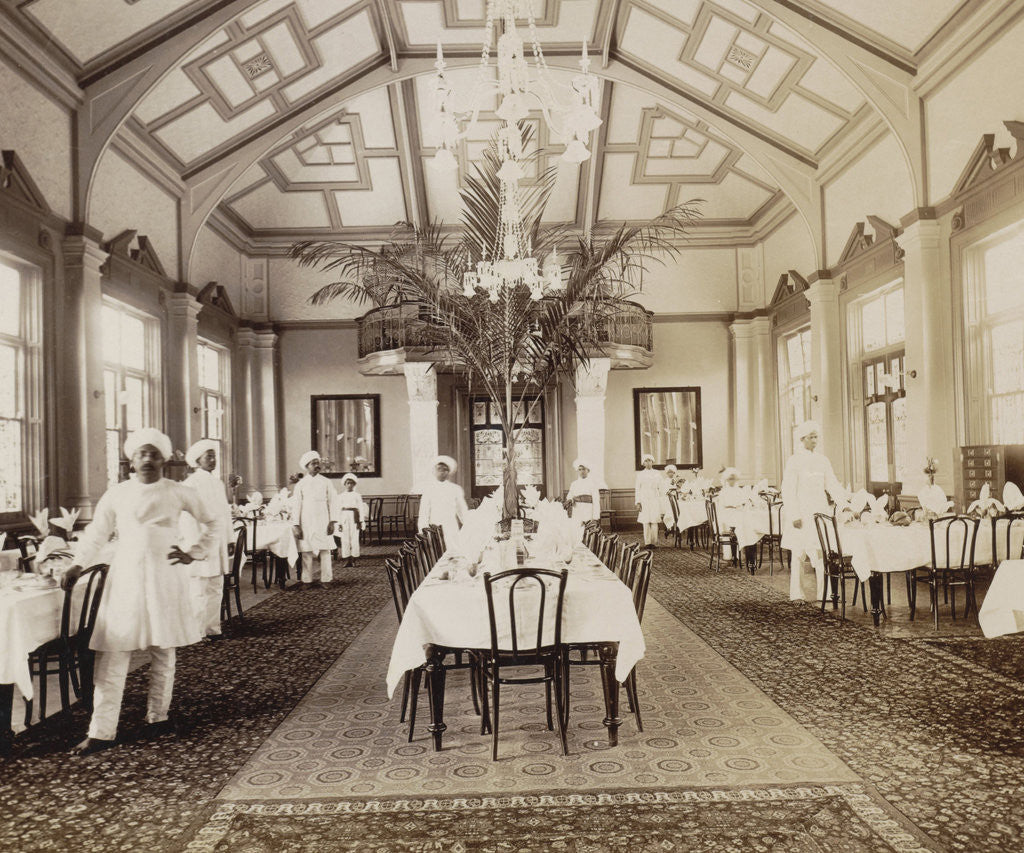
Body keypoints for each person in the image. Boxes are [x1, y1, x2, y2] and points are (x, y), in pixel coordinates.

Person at [61, 428, 217, 755]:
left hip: (166, 576)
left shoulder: (178, 491)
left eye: (154, 454)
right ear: (131, 460)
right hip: (127, 577)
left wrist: (194, 552)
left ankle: (158, 716)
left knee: (164, 650)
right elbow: (97, 533)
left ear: (165, 459)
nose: (148, 459)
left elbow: (212, 522)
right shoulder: (117, 494)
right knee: (113, 651)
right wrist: (78, 563)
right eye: (141, 454)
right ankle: (102, 731)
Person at [781, 420, 846, 601]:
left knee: (821, 553)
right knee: (799, 553)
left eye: (816, 437)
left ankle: (823, 594)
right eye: (811, 437)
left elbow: (832, 484)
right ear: (802, 439)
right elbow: (788, 489)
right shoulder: (794, 461)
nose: (815, 440)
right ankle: (796, 594)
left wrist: (845, 503)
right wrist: (794, 514)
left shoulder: (822, 460)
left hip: (819, 510)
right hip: (801, 511)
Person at [180, 438, 231, 641]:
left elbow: (224, 514)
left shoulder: (217, 483)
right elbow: (186, 518)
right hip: (199, 542)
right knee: (198, 590)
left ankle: (213, 628)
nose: (213, 460)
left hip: (217, 542)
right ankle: (196, 632)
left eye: (214, 456)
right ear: (197, 460)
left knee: (215, 586)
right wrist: (196, 547)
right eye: (208, 456)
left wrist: (229, 539)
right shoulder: (190, 484)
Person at [292, 451, 337, 588]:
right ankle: (307, 580)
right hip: (306, 520)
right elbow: (296, 505)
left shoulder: (326, 482)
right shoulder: (300, 484)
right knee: (306, 550)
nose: (317, 465)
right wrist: (296, 525)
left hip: (323, 519)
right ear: (307, 466)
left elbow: (333, 502)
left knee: (325, 550)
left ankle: (326, 579)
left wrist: (332, 521)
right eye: (313, 463)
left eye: (318, 463)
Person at [417, 455, 468, 548]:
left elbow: (462, 511)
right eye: (439, 469)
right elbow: (424, 513)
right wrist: (423, 532)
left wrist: (469, 526)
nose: (442, 472)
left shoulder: (455, 489)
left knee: (453, 552)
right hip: (434, 527)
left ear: (449, 472)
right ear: (434, 471)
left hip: (451, 527)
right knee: (436, 553)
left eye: (445, 469)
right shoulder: (428, 489)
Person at [333, 473, 367, 568]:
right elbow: (338, 509)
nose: (349, 485)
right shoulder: (341, 496)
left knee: (354, 538)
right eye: (347, 483)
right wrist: (339, 522)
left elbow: (360, 508)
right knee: (345, 539)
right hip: (344, 517)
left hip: (354, 517)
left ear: (354, 484)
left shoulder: (357, 495)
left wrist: (360, 521)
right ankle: (347, 559)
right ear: (344, 484)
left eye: (351, 483)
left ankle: (354, 559)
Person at [635, 453, 665, 548]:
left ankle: (654, 542)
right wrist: (638, 502)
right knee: (646, 521)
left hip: (655, 498)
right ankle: (647, 542)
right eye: (646, 461)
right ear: (643, 463)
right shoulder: (640, 474)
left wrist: (662, 502)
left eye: (650, 461)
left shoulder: (657, 473)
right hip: (644, 499)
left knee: (654, 520)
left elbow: (661, 488)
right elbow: (638, 489)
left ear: (653, 462)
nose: (648, 463)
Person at [566, 458, 602, 523]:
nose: (582, 471)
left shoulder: (593, 483)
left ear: (588, 470)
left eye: (584, 469)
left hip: (588, 510)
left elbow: (596, 500)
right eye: (579, 469)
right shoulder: (574, 484)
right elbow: (570, 495)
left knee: (588, 529)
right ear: (577, 471)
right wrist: (570, 499)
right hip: (577, 509)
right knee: (578, 528)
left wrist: (595, 517)